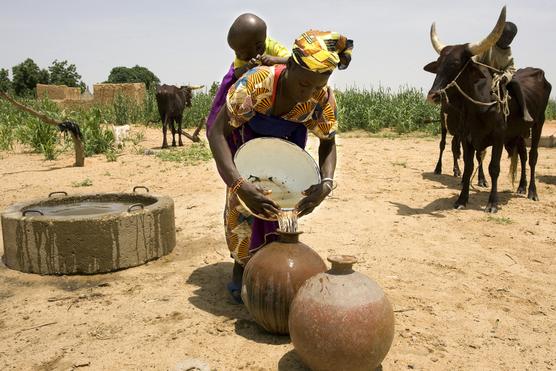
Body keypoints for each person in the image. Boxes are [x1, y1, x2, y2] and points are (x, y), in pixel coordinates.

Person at [208, 30, 353, 303]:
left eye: (317, 86)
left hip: (287, 146)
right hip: (245, 141)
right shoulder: (256, 84)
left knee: (283, 202)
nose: (307, 93)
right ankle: (241, 266)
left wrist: (326, 183)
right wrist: (239, 184)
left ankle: (272, 262)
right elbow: (216, 134)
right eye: (303, 84)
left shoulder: (320, 98)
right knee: (244, 206)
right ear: (291, 65)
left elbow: (327, 141)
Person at [205, 13, 290, 136]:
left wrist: (275, 60)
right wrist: (247, 67)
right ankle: (217, 125)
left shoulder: (274, 47)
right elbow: (237, 73)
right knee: (228, 81)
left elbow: (292, 61)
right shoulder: (242, 58)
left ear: (259, 48)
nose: (237, 56)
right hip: (250, 92)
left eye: (240, 53)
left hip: (273, 93)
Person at [474, 21, 533, 122]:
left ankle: (524, 110)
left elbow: (511, 69)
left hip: (499, 78)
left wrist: (505, 77)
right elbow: (475, 59)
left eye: (510, 38)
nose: (507, 40)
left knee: (516, 83)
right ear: (498, 34)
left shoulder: (508, 54)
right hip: (482, 75)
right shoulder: (487, 46)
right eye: (504, 36)